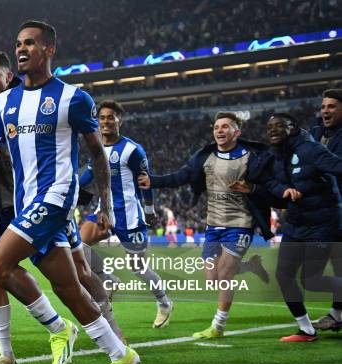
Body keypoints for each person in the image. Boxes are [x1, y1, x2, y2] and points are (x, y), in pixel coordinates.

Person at [0, 21, 139, 364]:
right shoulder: (5, 103)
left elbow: (98, 154)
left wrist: (104, 203)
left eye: (30, 43)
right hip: (25, 203)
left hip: (55, 198)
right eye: (18, 43)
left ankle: (54, 331)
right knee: (69, 288)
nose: (22, 49)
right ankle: (121, 355)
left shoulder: (73, 98)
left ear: (49, 50)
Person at [138, 112, 275, 339]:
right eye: (216, 127)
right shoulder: (206, 156)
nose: (219, 131)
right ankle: (251, 266)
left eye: (225, 127)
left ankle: (217, 326)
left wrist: (251, 188)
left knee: (225, 275)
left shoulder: (253, 156)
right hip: (213, 224)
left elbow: (268, 185)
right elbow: (182, 176)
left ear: (237, 132)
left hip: (240, 223)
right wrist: (155, 181)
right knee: (212, 278)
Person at [78, 100, 174, 328]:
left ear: (119, 120)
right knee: (78, 247)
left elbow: (145, 181)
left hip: (130, 215)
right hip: (105, 212)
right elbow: (89, 176)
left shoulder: (132, 150)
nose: (106, 122)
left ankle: (164, 302)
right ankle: (108, 280)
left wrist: (149, 211)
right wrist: (69, 188)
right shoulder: (97, 148)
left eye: (110, 117)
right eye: (101, 118)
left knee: (139, 268)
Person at [254, 113, 342, 341]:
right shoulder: (274, 155)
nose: (272, 130)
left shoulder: (312, 150)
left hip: (322, 224)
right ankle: (306, 329)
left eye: (278, 126)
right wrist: (282, 189)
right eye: (269, 126)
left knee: (311, 280)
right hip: (295, 223)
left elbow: (338, 167)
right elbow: (266, 180)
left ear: (292, 127)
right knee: (283, 274)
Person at [311, 88, 342, 331]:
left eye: (331, 106)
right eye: (323, 107)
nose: (325, 111)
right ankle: (337, 313)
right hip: (325, 212)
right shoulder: (318, 133)